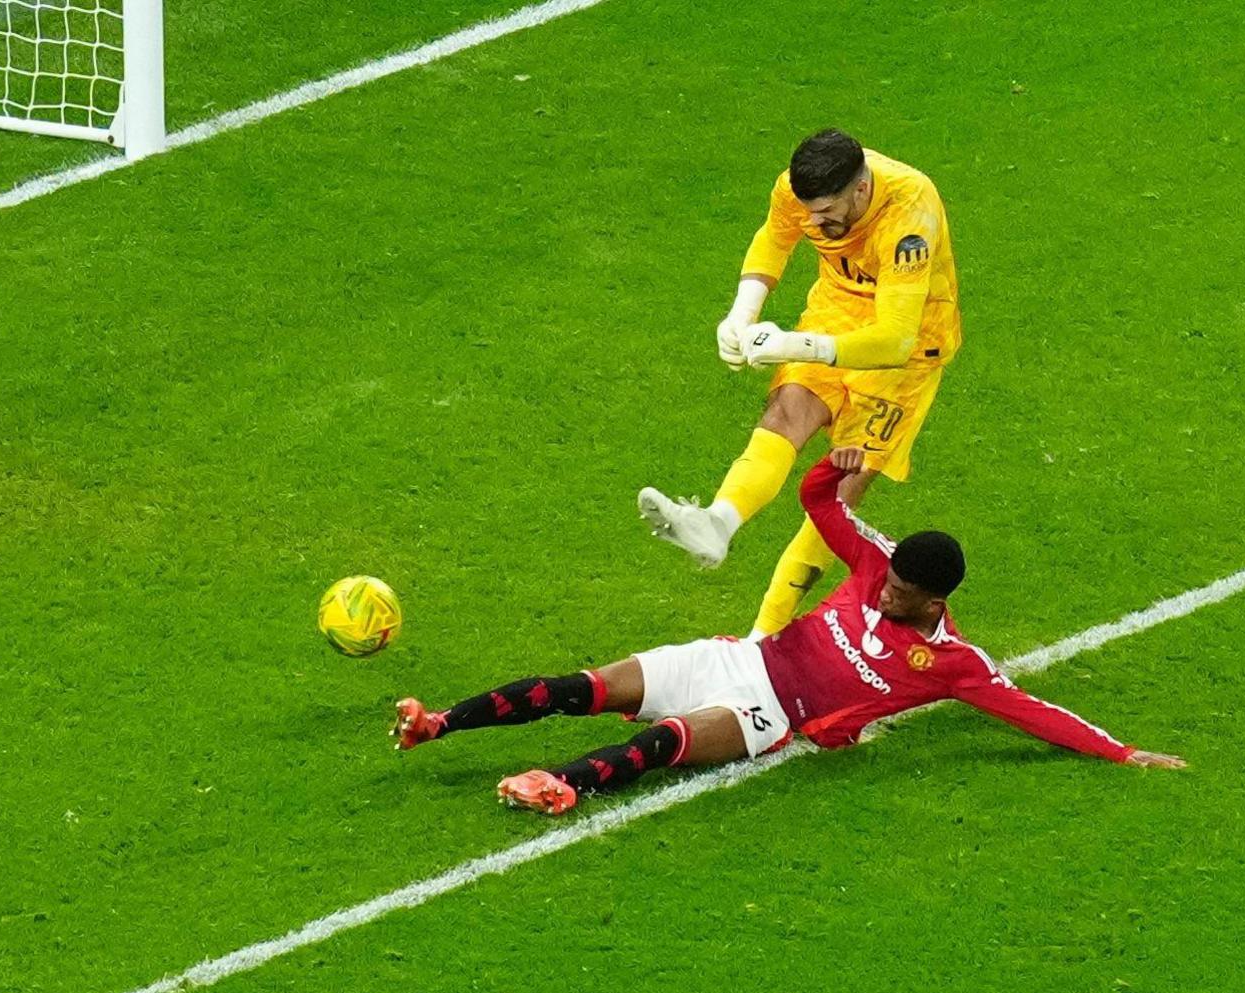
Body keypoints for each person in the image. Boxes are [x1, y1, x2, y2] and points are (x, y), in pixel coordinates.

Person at [394, 448, 1185, 815]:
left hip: (773, 716)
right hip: (738, 658)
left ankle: (563, 784)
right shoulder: (874, 564)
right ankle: (438, 725)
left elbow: (1028, 711)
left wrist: (1120, 751)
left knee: (669, 740)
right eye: (890, 578)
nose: (886, 592)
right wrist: (834, 466)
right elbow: (821, 507)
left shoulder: (951, 662)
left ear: (935, 597)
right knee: (582, 687)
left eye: (904, 591)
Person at [636, 127, 964, 639]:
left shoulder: (908, 215)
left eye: (827, 211)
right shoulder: (801, 189)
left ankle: (763, 637)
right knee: (785, 413)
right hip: (833, 316)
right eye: (809, 209)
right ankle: (718, 524)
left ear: (861, 190)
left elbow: (895, 339)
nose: (814, 222)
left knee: (837, 491)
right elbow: (776, 236)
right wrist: (741, 313)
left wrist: (795, 345)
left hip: (908, 355)